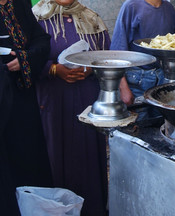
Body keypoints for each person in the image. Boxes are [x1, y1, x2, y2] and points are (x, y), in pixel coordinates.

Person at [32, 0, 110, 215]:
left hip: (87, 99)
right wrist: (54, 69)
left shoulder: (91, 18)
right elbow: (24, 57)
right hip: (51, 101)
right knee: (54, 153)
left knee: (87, 156)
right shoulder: (35, 18)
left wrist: (91, 68)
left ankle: (91, 209)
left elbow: (106, 56)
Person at [0, 0, 53, 214]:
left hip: (22, 97)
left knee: (27, 155)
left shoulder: (18, 3)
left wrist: (25, 58)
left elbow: (41, 39)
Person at [111, 0, 175, 119]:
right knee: (139, 125)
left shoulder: (168, 8)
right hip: (137, 79)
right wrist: (123, 88)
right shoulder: (131, 6)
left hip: (163, 77)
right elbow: (117, 52)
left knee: (160, 123)